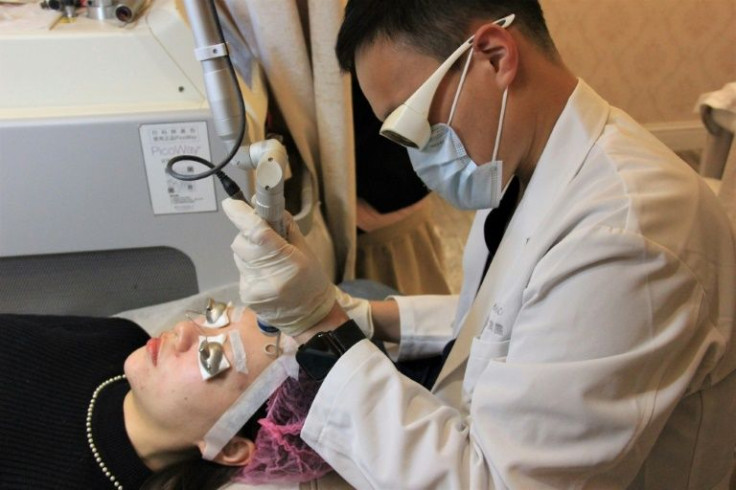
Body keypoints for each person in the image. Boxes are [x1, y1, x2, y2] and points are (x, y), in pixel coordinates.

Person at [221, 0, 736, 488]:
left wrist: (322, 332)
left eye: (410, 122)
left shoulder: (628, 239)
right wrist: (365, 314)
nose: (415, 156)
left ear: (494, 56)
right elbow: (511, 315)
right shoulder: (526, 158)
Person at [0, 304, 334, 489]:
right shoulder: (120, 339)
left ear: (229, 447)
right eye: (215, 316)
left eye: (212, 357)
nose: (185, 330)